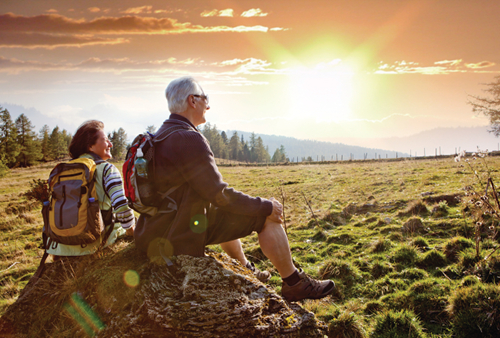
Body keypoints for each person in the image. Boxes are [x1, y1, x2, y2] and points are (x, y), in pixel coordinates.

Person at [134, 76, 335, 301]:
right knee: (266, 217)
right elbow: (219, 195)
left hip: (153, 230)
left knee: (226, 212)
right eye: (205, 98)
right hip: (176, 235)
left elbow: (207, 194)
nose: (207, 105)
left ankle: (246, 268)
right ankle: (295, 284)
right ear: (193, 101)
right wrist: (265, 205)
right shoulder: (189, 138)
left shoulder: (159, 135)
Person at [46, 120, 135, 257]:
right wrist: (132, 233)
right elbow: (121, 207)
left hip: (61, 246)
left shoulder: (63, 170)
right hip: (95, 244)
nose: (111, 144)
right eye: (105, 140)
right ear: (90, 147)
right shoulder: (107, 169)